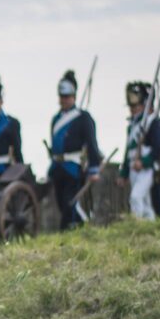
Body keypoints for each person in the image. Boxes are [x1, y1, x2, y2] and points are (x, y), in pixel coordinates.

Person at [48, 70, 101, 229]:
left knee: (70, 202)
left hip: (73, 166)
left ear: (73, 96)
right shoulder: (56, 119)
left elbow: (92, 144)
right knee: (61, 202)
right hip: (58, 167)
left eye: (66, 97)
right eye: (61, 97)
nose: (63, 100)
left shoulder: (83, 118)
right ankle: (77, 227)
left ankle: (70, 229)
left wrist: (93, 169)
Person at [118, 81, 160, 220]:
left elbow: (158, 149)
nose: (132, 109)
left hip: (147, 169)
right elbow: (128, 152)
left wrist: (144, 162)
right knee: (145, 203)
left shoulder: (153, 123)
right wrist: (124, 173)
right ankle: (149, 228)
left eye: (135, 106)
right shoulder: (132, 126)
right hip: (134, 167)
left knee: (136, 197)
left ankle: (136, 224)